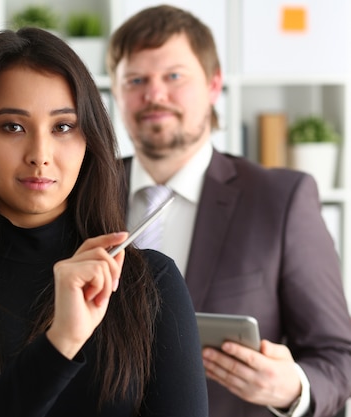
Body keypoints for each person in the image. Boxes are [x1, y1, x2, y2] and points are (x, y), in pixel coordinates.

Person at [0, 27, 208, 417]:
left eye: (62, 127)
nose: (40, 154)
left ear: (89, 141)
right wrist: (61, 342)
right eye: (12, 127)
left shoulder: (150, 281)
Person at [108, 5, 351, 417]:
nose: (154, 95)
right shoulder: (82, 191)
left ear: (214, 84)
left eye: (173, 76)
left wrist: (292, 388)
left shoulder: (280, 199)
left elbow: (338, 358)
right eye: (136, 80)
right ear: (116, 91)